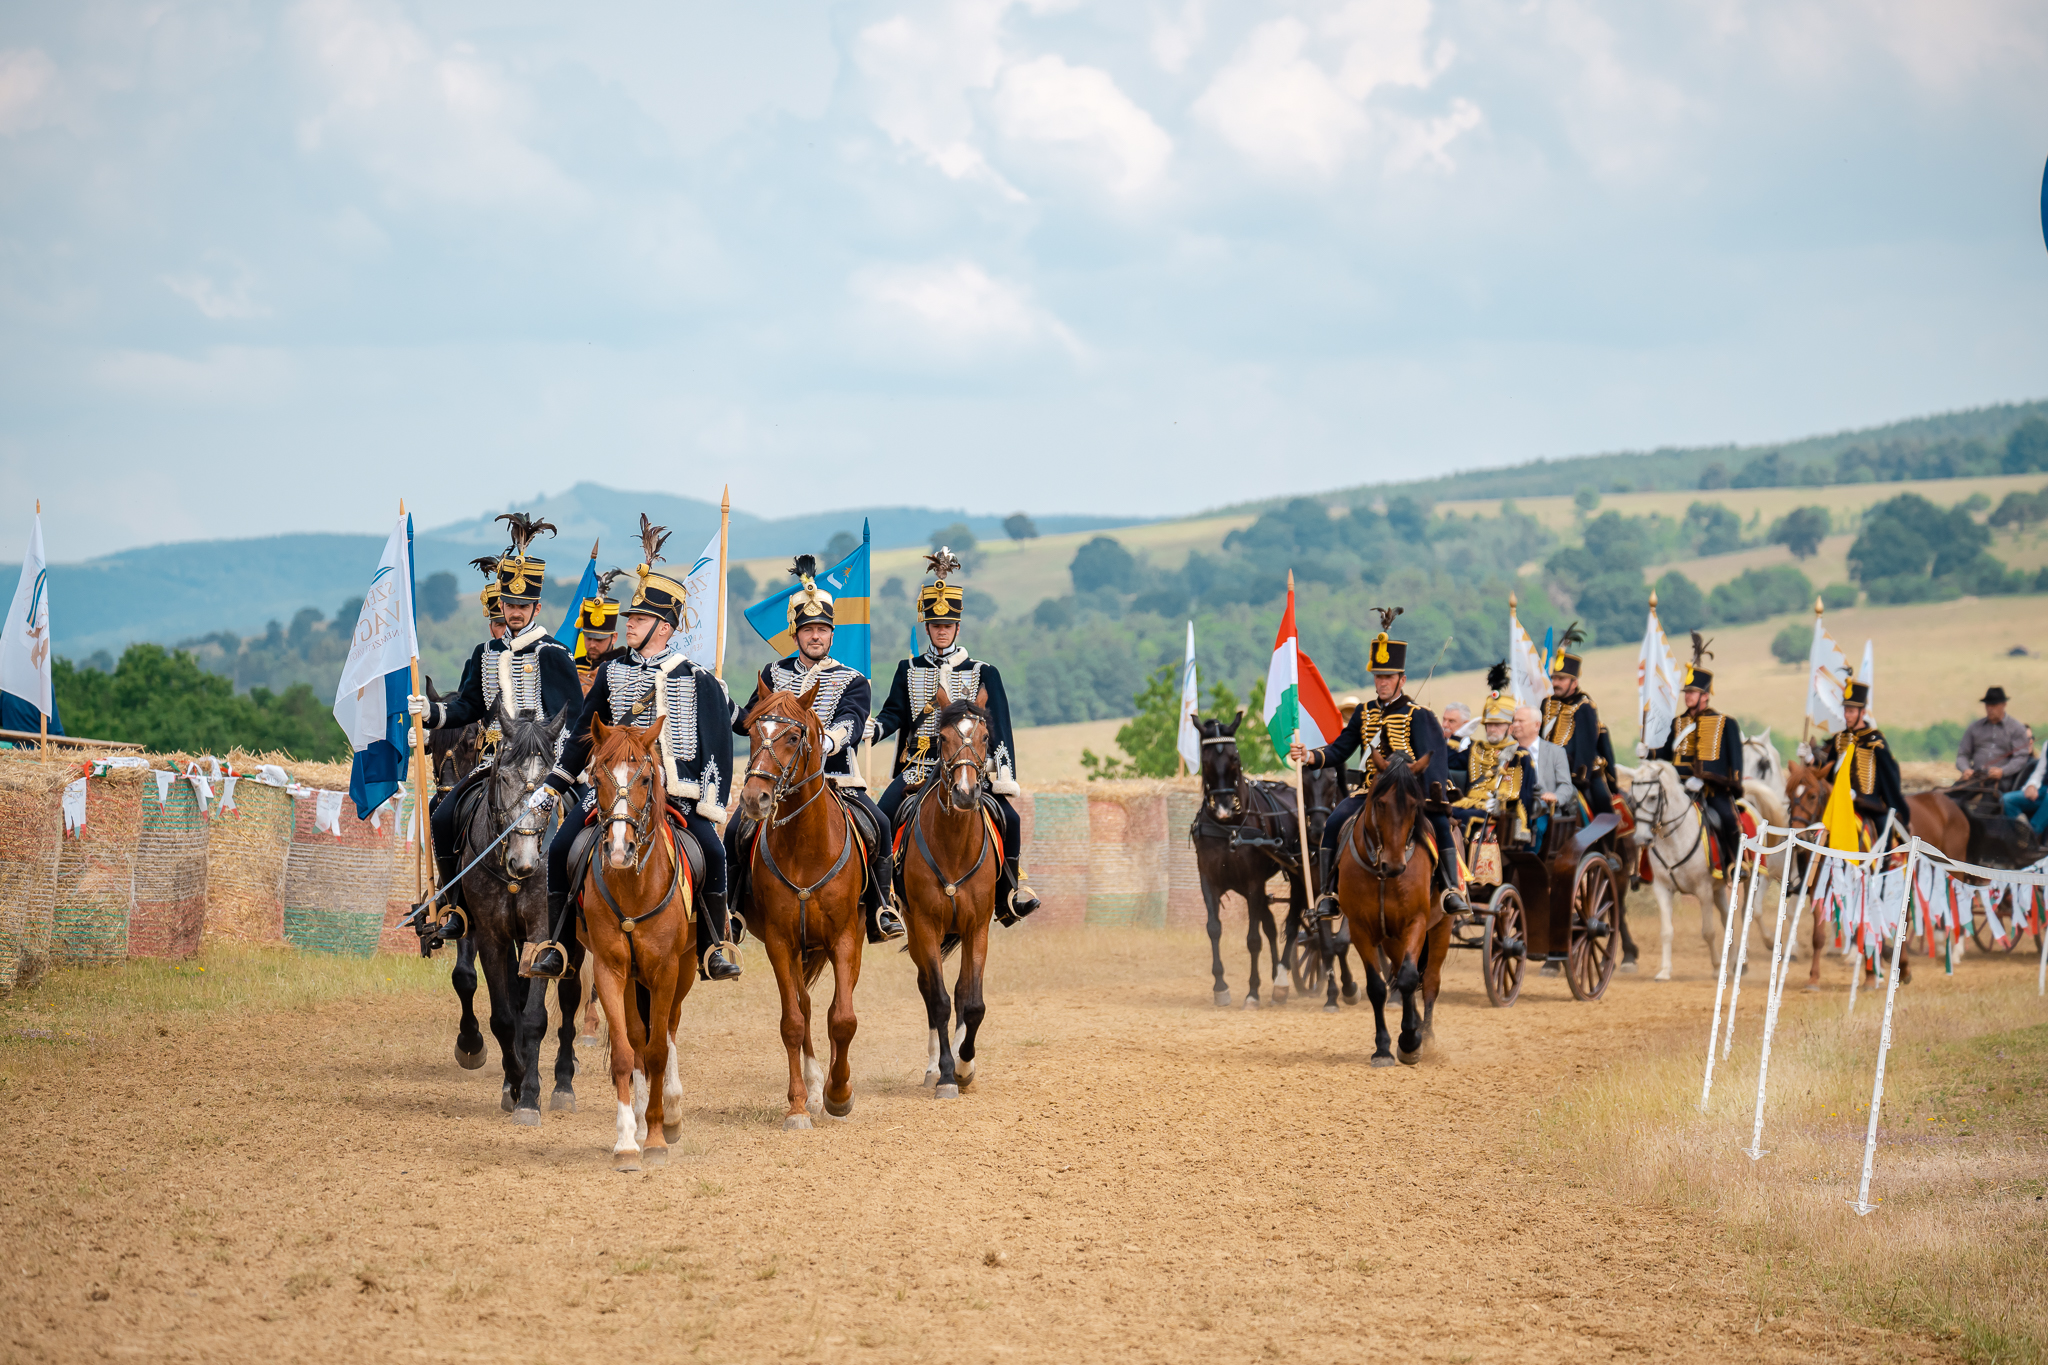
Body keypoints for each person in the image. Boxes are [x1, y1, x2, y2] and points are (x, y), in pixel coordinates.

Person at [535, 516, 741, 982]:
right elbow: (585, 734)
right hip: (613, 790)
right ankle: (560, 947)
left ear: (665, 627)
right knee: (563, 846)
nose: (630, 626)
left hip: (679, 793)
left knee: (712, 851)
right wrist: (553, 784)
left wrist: (709, 803)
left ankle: (712, 946)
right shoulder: (610, 673)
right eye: (631, 618)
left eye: (641, 619)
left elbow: (718, 746)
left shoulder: (700, 679)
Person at [410, 515, 581, 939]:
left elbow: (573, 716)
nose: (515, 612)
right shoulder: (484, 652)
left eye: (523, 606)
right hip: (491, 765)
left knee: (579, 825)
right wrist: (429, 715)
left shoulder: (553, 653)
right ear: (500, 605)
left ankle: (571, 911)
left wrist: (551, 763)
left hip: (544, 767)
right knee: (444, 813)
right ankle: (456, 909)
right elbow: (468, 707)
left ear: (537, 608)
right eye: (509, 605)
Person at [731, 555, 905, 944]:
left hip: (838, 779)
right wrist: (723, 703)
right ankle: (734, 912)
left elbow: (852, 722)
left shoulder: (852, 679)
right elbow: (748, 724)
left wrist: (824, 742)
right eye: (809, 629)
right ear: (795, 634)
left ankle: (882, 907)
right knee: (734, 832)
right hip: (777, 785)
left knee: (880, 825)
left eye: (823, 629)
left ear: (831, 634)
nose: (816, 636)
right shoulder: (773, 675)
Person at [871, 549, 1040, 924]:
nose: (941, 630)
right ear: (926, 627)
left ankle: (1010, 892)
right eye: (935, 624)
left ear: (958, 627)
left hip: (970, 767)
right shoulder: (908, 668)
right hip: (919, 766)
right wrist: (874, 728)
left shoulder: (984, 671)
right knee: (881, 817)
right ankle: (881, 900)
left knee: (1009, 820)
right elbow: (895, 713)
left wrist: (1004, 775)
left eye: (947, 624)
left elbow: (1000, 728)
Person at [1292, 608, 1468, 921]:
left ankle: (1450, 889)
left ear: (1401, 678)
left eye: (1388, 676)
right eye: (1378, 676)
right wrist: (1309, 756)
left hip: (1410, 794)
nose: (1382, 682)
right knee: (1333, 823)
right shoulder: (1363, 712)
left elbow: (1434, 758)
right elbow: (1339, 750)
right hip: (1371, 791)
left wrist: (1432, 795)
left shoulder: (1419, 715)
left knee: (1440, 825)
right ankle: (1329, 894)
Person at [1650, 633, 1744, 878]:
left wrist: (1707, 779)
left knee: (1726, 818)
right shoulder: (1677, 723)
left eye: (1693, 692)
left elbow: (1734, 763)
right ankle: (1648, 869)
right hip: (1678, 787)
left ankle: (1735, 864)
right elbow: (1663, 753)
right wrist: (1648, 751)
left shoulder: (1725, 723)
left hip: (1710, 789)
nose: (1688, 696)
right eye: (1686, 692)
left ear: (1706, 694)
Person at [1813, 672, 1911, 836]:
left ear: (1862, 712)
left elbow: (1890, 774)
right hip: (1841, 804)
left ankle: (1885, 860)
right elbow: (1827, 773)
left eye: (1851, 711)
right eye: (1846, 711)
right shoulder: (1839, 739)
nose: (1847, 716)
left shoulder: (1875, 740)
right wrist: (1811, 760)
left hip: (1870, 804)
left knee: (1883, 828)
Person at [1449, 666, 1535, 844]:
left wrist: (1501, 806)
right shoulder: (1476, 749)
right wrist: (1457, 736)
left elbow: (1523, 794)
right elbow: (1447, 760)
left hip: (1498, 811)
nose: (1492, 728)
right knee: (1445, 813)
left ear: (1509, 727)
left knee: (1465, 817)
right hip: (1470, 802)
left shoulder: (1519, 755)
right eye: (1489, 724)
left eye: (1498, 724)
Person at [1543, 623, 1615, 817]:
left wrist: (1576, 777)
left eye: (1561, 679)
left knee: (1602, 804)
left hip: (1579, 771)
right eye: (1554, 678)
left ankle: (1608, 845)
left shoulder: (1584, 707)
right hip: (1547, 769)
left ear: (1574, 682)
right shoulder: (1547, 703)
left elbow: (1585, 748)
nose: (1555, 683)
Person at [1510, 705, 1574, 847]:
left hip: (1541, 809)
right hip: (1512, 808)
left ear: (1536, 725)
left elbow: (1566, 785)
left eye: (1521, 721)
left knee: (1537, 829)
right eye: (1514, 721)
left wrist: (1555, 797)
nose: (1515, 725)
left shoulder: (1555, 752)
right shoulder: (1507, 752)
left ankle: (1531, 864)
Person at [1957, 687, 2032, 789]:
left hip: (2001, 781)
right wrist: (1965, 769)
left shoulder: (2017, 729)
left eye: (1994, 705)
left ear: (2004, 705)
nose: (1990, 709)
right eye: (1987, 705)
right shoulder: (1974, 728)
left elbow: (2021, 757)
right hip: (1975, 778)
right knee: (1947, 799)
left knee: (1986, 804)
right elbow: (1962, 755)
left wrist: (2003, 771)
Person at [572, 570, 625, 694]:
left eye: (599, 639)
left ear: (614, 637)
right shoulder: (574, 665)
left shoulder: (625, 666)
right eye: (588, 638)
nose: (592, 644)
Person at [2001, 749, 2048, 841]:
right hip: (2043, 790)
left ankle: (2031, 835)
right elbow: (2039, 771)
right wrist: (2031, 785)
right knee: (2006, 800)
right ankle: (2023, 829)